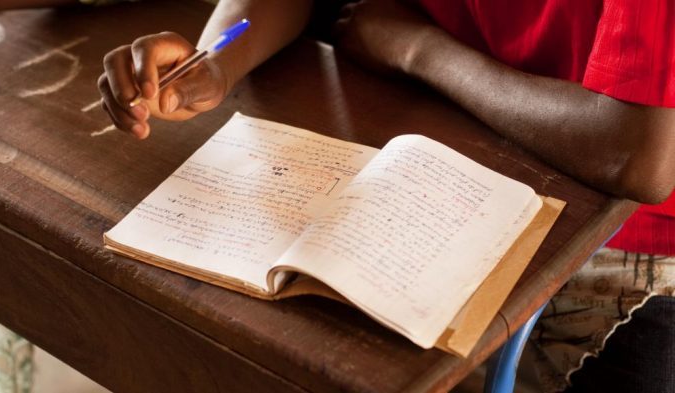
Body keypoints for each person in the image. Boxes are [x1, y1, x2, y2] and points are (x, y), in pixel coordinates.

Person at [99, 1, 675, 391]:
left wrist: (419, 51)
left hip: (629, 249)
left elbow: (638, 157)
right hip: (440, 175)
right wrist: (215, 62)